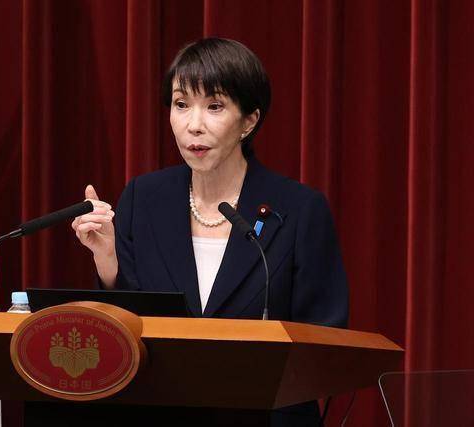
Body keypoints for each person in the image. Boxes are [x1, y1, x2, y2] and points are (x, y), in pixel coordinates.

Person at [71, 37, 348, 426]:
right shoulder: (144, 198)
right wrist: (107, 262)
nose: (193, 125)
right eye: (181, 104)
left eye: (214, 106)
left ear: (249, 121)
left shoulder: (299, 210)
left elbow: (325, 339)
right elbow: (127, 331)